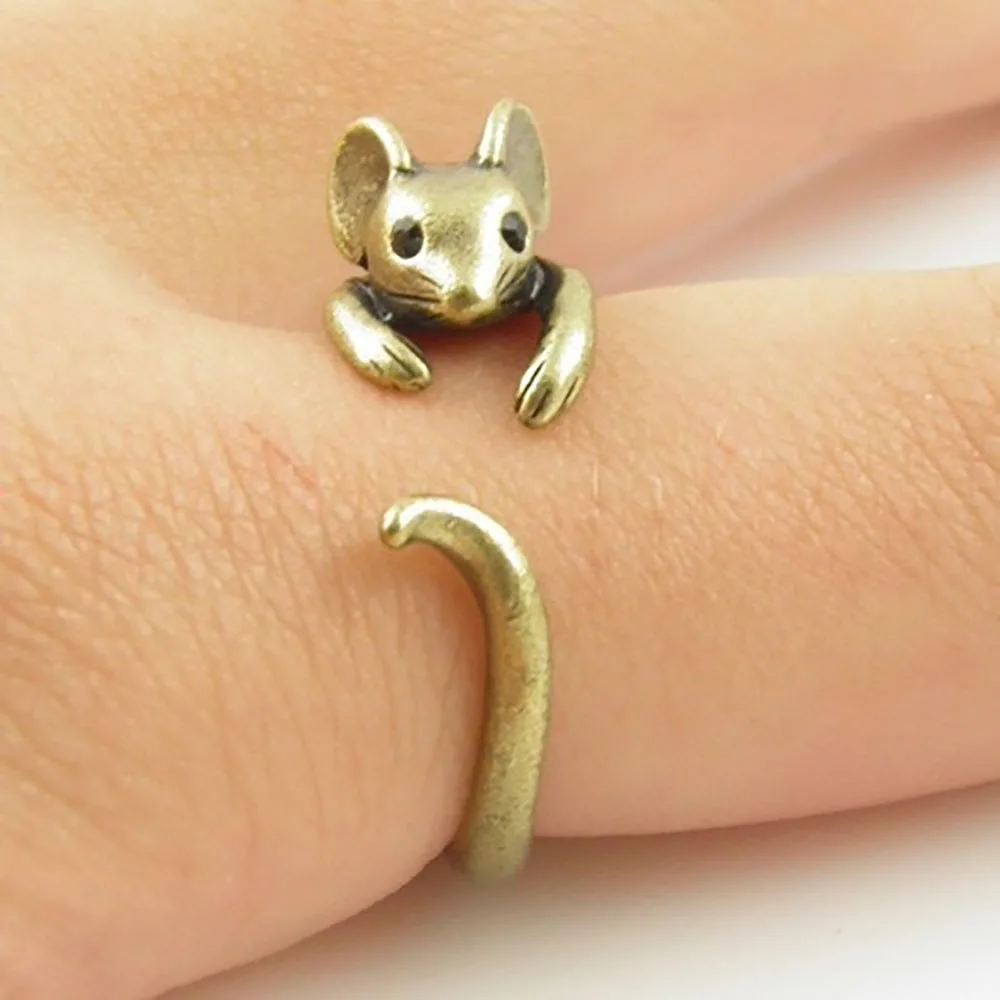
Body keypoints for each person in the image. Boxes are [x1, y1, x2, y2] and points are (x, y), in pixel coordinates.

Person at [2, 2, 999, 996]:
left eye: (506, 236)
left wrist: (565, 352)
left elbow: (563, 295)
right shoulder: (368, 293)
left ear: (528, 203)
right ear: (357, 216)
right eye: (411, 242)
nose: (466, 281)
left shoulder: (534, 283)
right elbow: (350, 311)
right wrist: (376, 355)